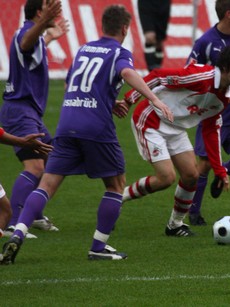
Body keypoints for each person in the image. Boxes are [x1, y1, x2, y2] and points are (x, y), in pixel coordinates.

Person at [0, 4, 173, 265]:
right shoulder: (119, 52)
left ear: (103, 26)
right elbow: (127, 73)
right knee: (116, 185)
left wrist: (108, 99)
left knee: (47, 183)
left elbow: (73, 84)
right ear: (125, 28)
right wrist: (154, 100)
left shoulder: (83, 49)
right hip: (95, 126)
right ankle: (98, 247)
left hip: (67, 122)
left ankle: (19, 233)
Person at [122, 45, 230, 237]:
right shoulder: (201, 77)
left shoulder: (224, 98)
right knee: (167, 177)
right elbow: (157, 76)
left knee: (191, 175)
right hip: (151, 120)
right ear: (226, 66)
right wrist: (129, 99)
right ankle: (118, 197)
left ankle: (175, 225)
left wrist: (219, 169)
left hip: (176, 127)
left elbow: (211, 130)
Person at [186, 0, 230, 225]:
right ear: (228, 14)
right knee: (203, 165)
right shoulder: (206, 42)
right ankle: (193, 212)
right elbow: (190, 70)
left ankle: (222, 173)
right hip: (213, 113)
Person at [0, 0, 69, 238]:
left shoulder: (36, 36)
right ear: (40, 12)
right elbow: (25, 42)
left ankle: (34, 213)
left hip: (28, 111)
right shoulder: (26, 33)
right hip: (20, 110)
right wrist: (42, 25)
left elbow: (31, 50)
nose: (57, 13)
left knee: (53, 161)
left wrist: (50, 37)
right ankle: (13, 223)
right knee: (35, 165)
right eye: (52, 9)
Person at [0, 128, 53, 241]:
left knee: (5, 211)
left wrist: (22, 142)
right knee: (5, 211)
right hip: (23, 112)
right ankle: (13, 226)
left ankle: (35, 218)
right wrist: (22, 142)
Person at [138, 0, 171, 70]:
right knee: (150, 37)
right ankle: (151, 70)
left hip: (163, 5)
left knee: (159, 42)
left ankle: (157, 69)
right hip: (146, 4)